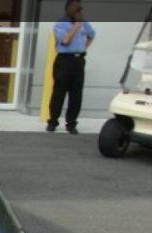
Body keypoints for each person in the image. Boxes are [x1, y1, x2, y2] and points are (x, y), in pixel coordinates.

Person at [47, 0, 95, 134]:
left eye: (80, 9)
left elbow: (92, 35)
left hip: (78, 61)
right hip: (64, 61)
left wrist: (83, 48)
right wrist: (75, 26)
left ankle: (71, 123)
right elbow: (65, 41)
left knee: (76, 94)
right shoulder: (61, 23)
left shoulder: (84, 22)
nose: (79, 12)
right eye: (76, 9)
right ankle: (53, 121)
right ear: (68, 9)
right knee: (59, 92)